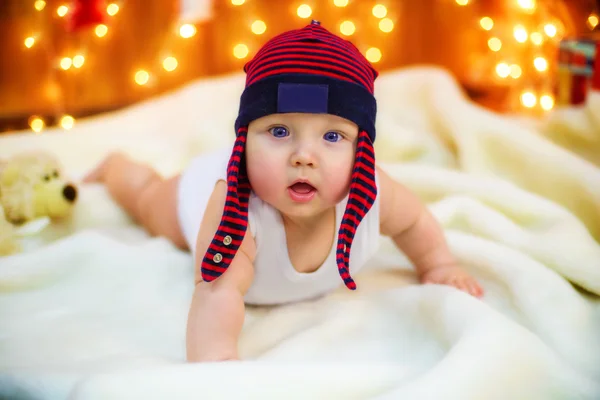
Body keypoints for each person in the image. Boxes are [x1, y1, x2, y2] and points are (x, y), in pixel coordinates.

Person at [84, 20, 483, 362]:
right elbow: (217, 291)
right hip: (197, 193)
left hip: (275, 174)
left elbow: (414, 221)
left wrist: (438, 264)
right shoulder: (236, 212)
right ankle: (115, 167)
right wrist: (216, 361)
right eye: (279, 131)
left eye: (332, 135)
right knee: (148, 199)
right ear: (245, 139)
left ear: (361, 149)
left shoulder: (373, 192)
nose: (304, 156)